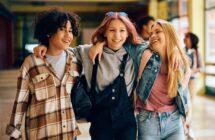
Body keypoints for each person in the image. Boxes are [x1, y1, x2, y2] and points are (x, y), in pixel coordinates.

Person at [34, 12, 182, 140]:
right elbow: (63, 51)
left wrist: (175, 48)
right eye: (112, 30)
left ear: (128, 33)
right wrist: (45, 45)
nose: (117, 36)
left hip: (126, 120)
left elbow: (157, 47)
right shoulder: (88, 52)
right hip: (100, 120)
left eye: (122, 30)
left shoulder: (135, 52)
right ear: (104, 32)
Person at [5, 8, 81, 140]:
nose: (68, 35)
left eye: (70, 30)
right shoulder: (31, 63)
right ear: (49, 32)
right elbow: (20, 103)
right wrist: (14, 135)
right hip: (42, 135)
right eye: (62, 29)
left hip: (69, 134)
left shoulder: (75, 60)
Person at [183, 32, 204, 140]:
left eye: (187, 37)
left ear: (192, 40)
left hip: (191, 81)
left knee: (190, 105)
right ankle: (183, 126)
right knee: (183, 103)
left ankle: (188, 127)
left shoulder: (197, 53)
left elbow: (202, 67)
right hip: (181, 80)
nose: (184, 39)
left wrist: (194, 70)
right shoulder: (181, 50)